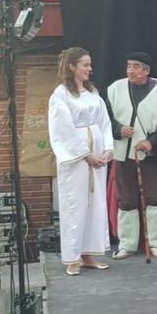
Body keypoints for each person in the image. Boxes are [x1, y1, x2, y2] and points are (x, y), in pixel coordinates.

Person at [48, 47, 113, 275]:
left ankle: (89, 254)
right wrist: (86, 155)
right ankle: (73, 257)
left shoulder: (92, 92)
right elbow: (62, 129)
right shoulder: (61, 94)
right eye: (85, 64)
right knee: (75, 205)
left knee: (94, 204)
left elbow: (104, 121)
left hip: (96, 154)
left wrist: (107, 149)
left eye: (89, 64)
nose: (89, 69)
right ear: (72, 66)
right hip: (77, 158)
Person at [106, 51, 157, 259]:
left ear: (146, 70)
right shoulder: (114, 89)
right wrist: (118, 129)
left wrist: (151, 142)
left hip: (151, 156)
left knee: (154, 197)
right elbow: (105, 119)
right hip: (123, 154)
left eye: (135, 66)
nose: (130, 71)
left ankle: (155, 243)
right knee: (126, 199)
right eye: (128, 66)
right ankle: (127, 244)